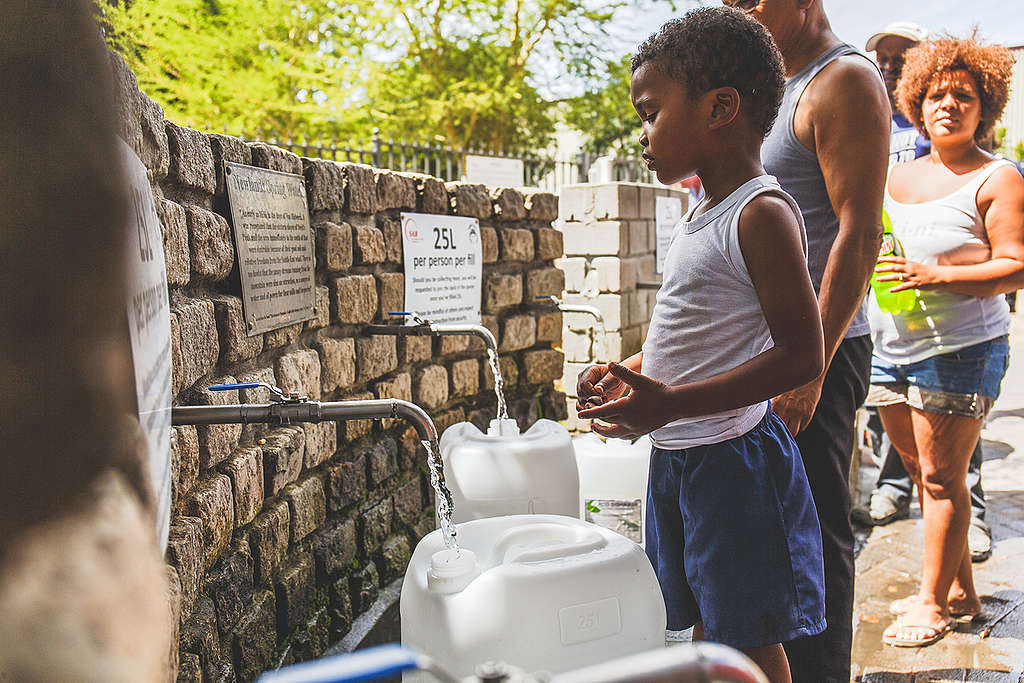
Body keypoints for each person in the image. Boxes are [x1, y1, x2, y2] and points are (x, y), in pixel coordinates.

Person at [577, 8, 826, 681]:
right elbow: (692, 331)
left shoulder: (760, 213)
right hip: (681, 458)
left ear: (718, 108)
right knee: (704, 626)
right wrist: (629, 374)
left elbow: (803, 355)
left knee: (748, 635)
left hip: (734, 468)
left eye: (651, 113)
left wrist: (672, 402)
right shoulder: (700, 214)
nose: (643, 134)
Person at [728, 1, 891, 679]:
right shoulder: (770, 87)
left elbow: (858, 234)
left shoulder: (842, 80)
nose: (740, 7)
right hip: (760, 354)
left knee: (813, 536)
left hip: (818, 347)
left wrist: (811, 363)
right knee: (759, 532)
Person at [869, 35, 1023, 647]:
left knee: (939, 478)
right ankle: (962, 590)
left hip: (962, 350)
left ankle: (931, 603)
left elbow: (1015, 265)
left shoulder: (997, 177)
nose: (948, 106)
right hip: (889, 346)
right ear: (915, 104)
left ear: (985, 105)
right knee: (922, 470)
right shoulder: (893, 174)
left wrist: (941, 276)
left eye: (964, 96)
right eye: (936, 95)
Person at [853, 21, 994, 566]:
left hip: (952, 316)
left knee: (952, 436)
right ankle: (896, 491)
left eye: (901, 54)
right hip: (889, 306)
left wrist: (955, 272)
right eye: (881, 56)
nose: (889, 64)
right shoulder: (871, 122)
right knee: (908, 428)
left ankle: (970, 522)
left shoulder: (948, 125)